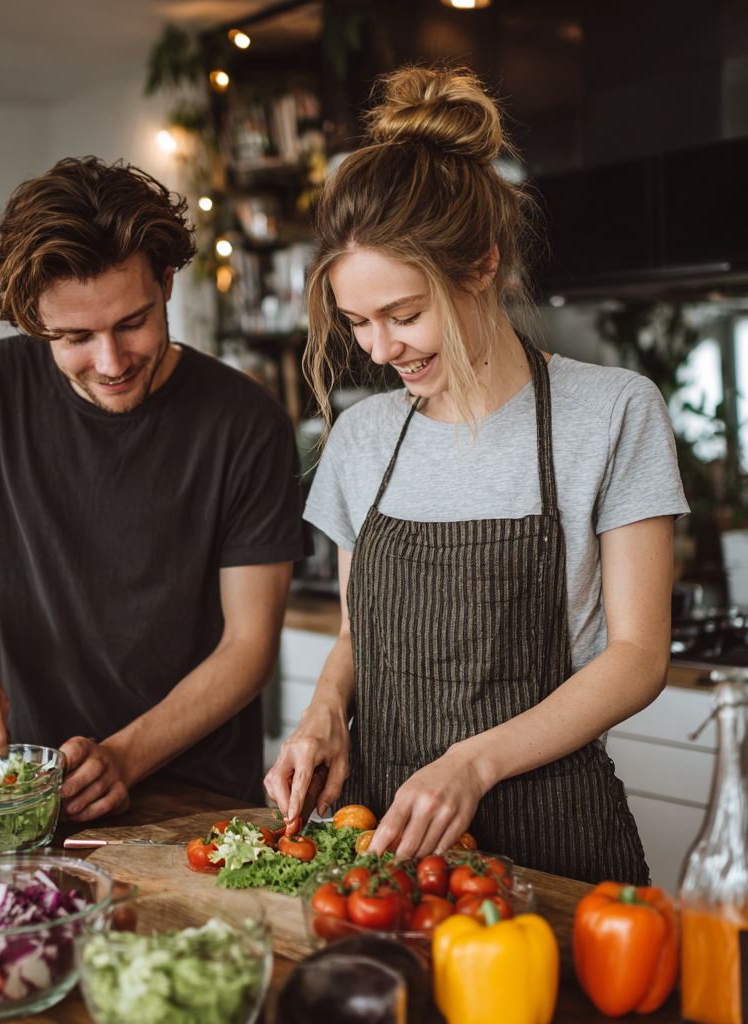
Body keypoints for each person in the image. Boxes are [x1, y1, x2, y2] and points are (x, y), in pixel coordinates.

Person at [264, 67, 688, 884]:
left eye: (405, 313)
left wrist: (474, 763)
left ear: (483, 264)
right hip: (389, 847)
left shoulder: (610, 413)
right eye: (358, 323)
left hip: (559, 843)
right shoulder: (363, 437)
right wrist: (324, 711)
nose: (381, 351)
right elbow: (360, 633)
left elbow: (638, 656)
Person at [0, 157, 305, 819]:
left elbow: (248, 647)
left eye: (132, 322)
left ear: (165, 283)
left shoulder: (245, 422)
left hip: (201, 801)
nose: (110, 362)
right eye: (74, 336)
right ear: (31, 319)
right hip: (41, 789)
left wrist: (125, 755)